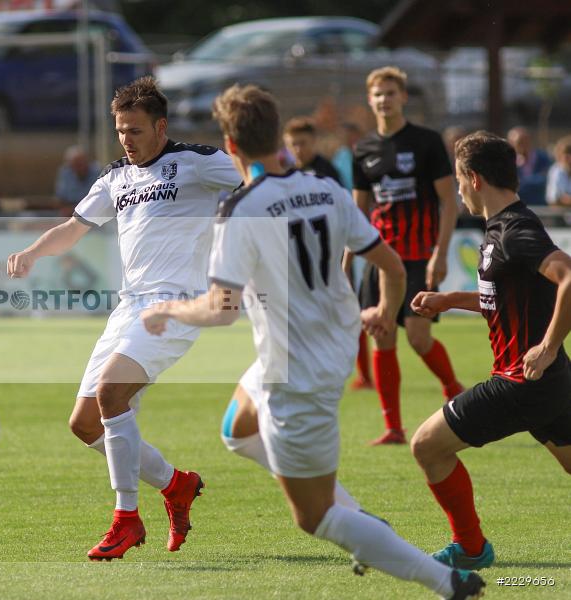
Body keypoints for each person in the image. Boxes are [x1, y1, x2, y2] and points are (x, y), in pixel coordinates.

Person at [141, 83, 485, 600]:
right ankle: (360, 520)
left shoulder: (242, 207)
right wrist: (383, 313)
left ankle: (444, 580)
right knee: (237, 428)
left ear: (230, 147)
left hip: (297, 371)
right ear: (277, 136)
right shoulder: (326, 190)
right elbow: (391, 266)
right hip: (327, 344)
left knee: (314, 517)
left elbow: (220, 310)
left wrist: (167, 307)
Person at [6, 76, 242, 561]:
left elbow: (254, 179)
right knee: (85, 423)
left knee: (113, 392)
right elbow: (75, 227)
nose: (126, 140)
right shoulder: (116, 177)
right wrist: (34, 251)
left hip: (175, 305)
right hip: (128, 307)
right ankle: (177, 485)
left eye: (135, 131)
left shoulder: (197, 163)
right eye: (120, 131)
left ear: (160, 126)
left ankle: (126, 519)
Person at [410, 131, 571, 571]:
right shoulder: (501, 229)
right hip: (548, 383)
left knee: (426, 446)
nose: (458, 189)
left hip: (522, 381)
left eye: (460, 179)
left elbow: (569, 278)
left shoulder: (515, 230)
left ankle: (470, 547)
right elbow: (501, 297)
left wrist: (548, 345)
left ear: (474, 179)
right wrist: (448, 300)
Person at [352, 66, 463, 446]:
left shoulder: (427, 142)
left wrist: (440, 253)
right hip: (381, 260)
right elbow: (359, 213)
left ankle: (452, 387)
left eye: (390, 93)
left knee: (417, 337)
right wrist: (348, 260)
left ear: (403, 98)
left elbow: (449, 202)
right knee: (381, 335)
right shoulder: (363, 149)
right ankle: (393, 428)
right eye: (378, 94)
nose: (384, 99)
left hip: (418, 257)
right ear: (370, 100)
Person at [331, 121, 374, 390]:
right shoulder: (340, 159)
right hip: (340, 232)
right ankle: (362, 373)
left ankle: (365, 373)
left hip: (361, 232)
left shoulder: (365, 156)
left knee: (356, 303)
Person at [283, 116, 342, 183]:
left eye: (302, 143)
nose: (298, 149)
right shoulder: (287, 175)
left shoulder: (326, 172)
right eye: (293, 144)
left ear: (313, 141)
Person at [507, 126, 552, 206]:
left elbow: (546, 179)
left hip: (541, 207)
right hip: (518, 207)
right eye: (519, 143)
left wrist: (521, 183)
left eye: (526, 141)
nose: (523, 146)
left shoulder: (543, 158)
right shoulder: (508, 161)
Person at [546, 135, 571, 207]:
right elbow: (554, 200)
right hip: (559, 217)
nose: (569, 157)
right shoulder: (556, 171)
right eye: (567, 153)